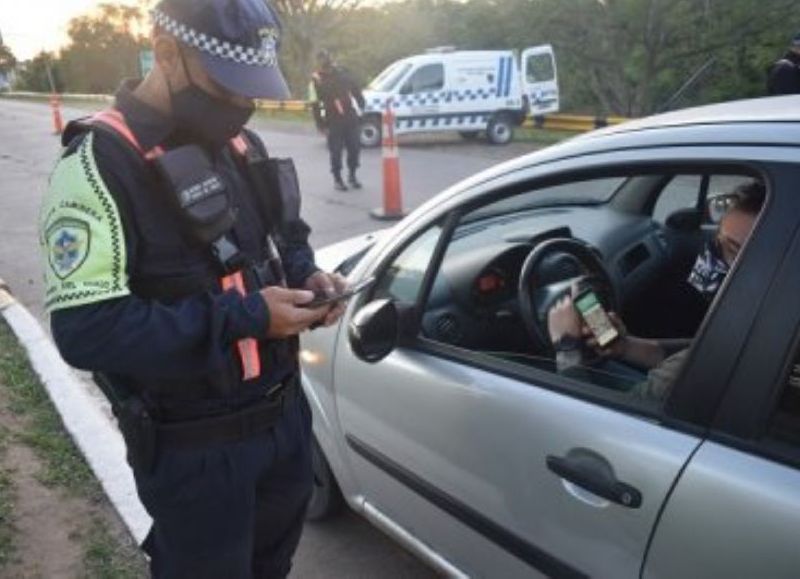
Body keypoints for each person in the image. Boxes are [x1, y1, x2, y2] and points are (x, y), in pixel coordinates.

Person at [38, 0, 348, 576]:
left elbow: (288, 239)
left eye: (251, 89)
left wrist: (310, 279)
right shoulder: (100, 164)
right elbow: (86, 332)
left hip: (285, 426)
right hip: (195, 453)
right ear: (165, 52)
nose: (240, 105)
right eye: (226, 86)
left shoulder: (241, 146)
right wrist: (248, 318)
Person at [548, 181, 766, 401]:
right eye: (718, 241)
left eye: (733, 250)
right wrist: (626, 346)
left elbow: (597, 423)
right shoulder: (749, 333)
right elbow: (696, 351)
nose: (713, 255)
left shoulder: (703, 367)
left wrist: (567, 348)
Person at [310, 49, 366, 191]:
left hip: (350, 116)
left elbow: (355, 89)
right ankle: (337, 179)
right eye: (321, 60)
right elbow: (315, 104)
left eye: (326, 59)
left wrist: (361, 104)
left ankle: (352, 175)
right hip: (332, 119)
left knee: (354, 147)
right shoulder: (316, 80)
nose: (324, 63)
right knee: (336, 151)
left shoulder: (343, 72)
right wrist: (320, 124)